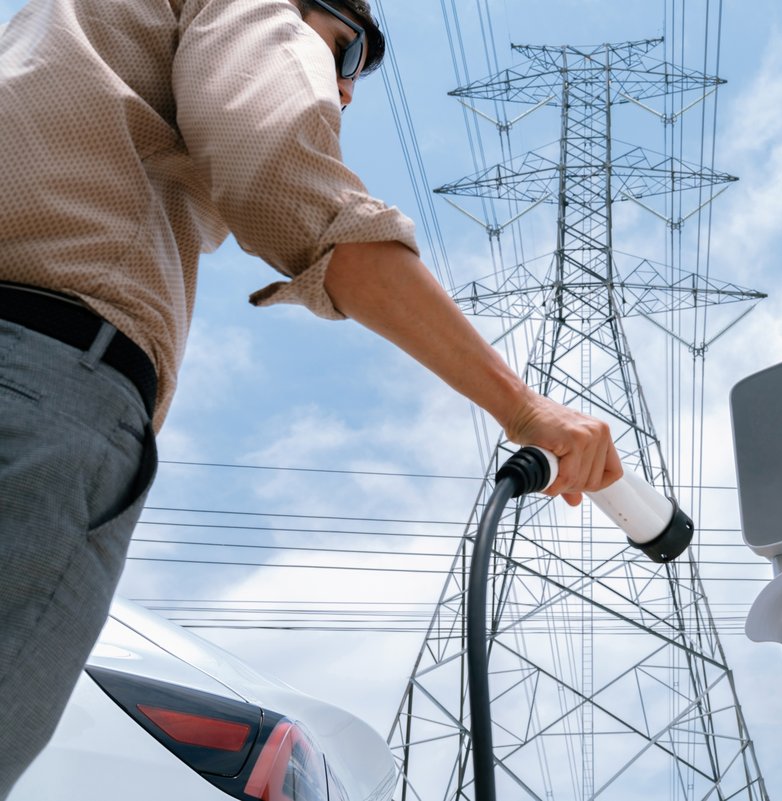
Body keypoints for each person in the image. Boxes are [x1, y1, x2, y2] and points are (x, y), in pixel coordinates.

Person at [0, 0, 621, 795]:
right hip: (42, 372)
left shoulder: (54, 28)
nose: (349, 89)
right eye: (349, 51)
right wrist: (527, 410)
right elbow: (281, 172)